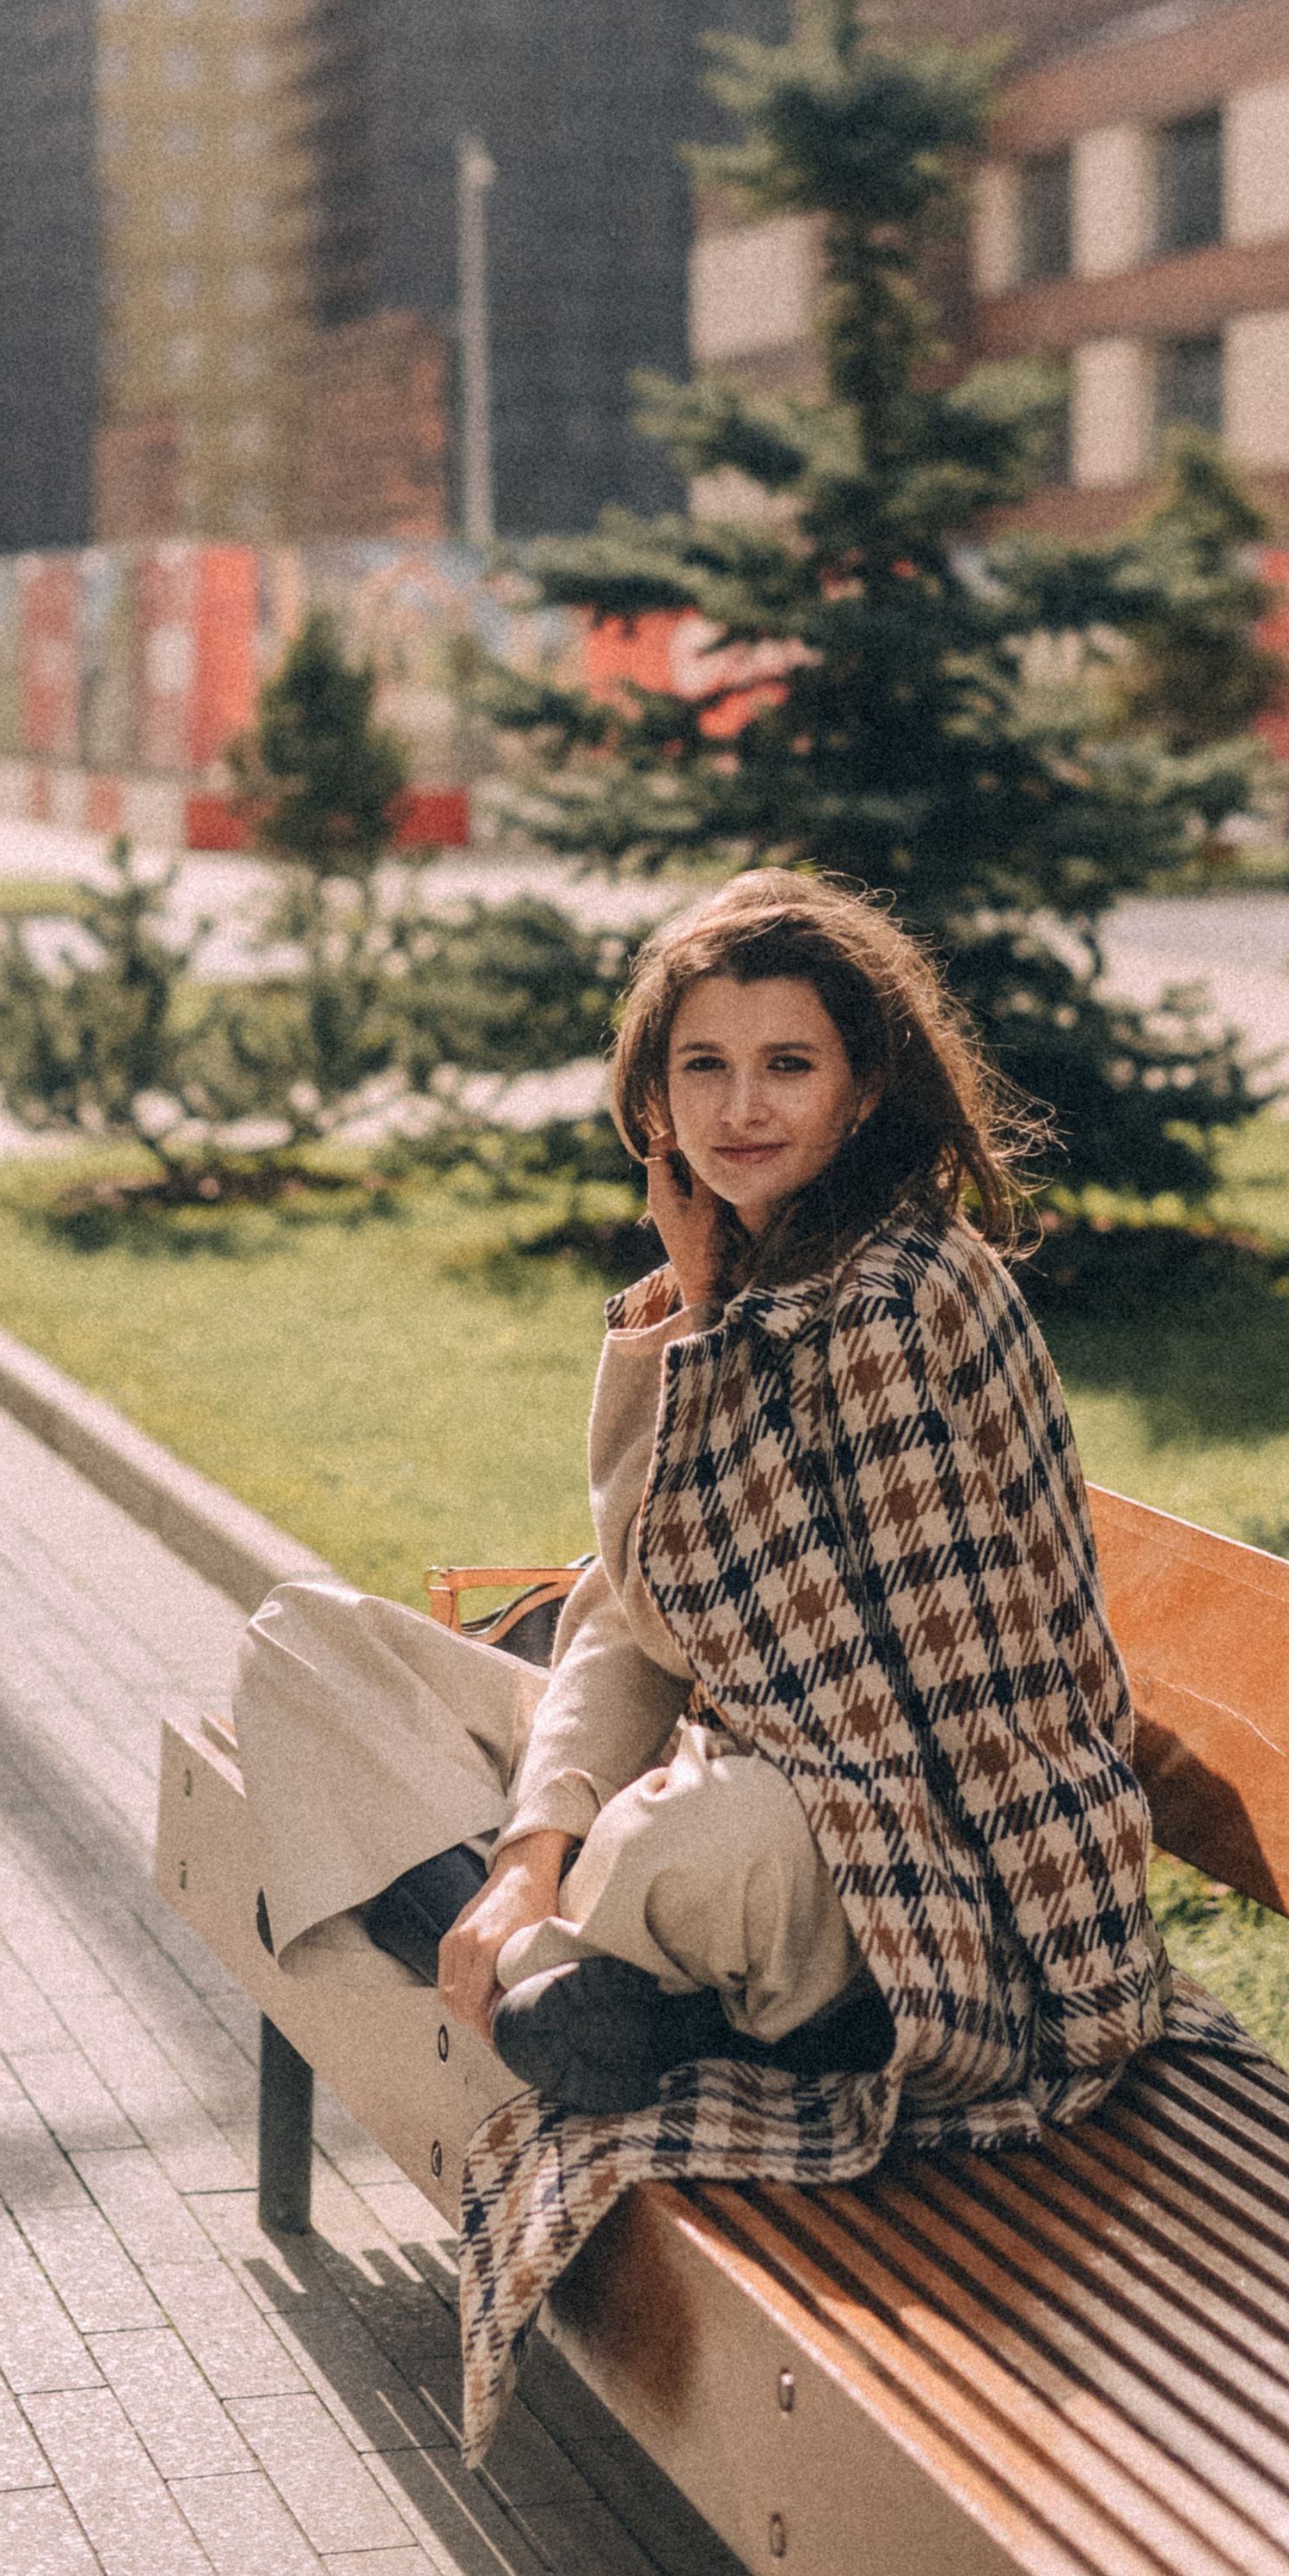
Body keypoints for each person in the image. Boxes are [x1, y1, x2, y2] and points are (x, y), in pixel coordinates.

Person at [231, 866, 1171, 2120]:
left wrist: (588, 1825)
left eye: (788, 1065)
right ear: (655, 1094)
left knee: (663, 1850)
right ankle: (558, 1974)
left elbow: (861, 1701)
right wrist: (532, 1850)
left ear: (865, 1084)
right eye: (702, 1068)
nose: (741, 1110)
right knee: (306, 1645)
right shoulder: (751, 1271)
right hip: (740, 1759)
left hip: (887, 1830)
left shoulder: (890, 1299)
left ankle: (550, 1963)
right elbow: (642, 1605)